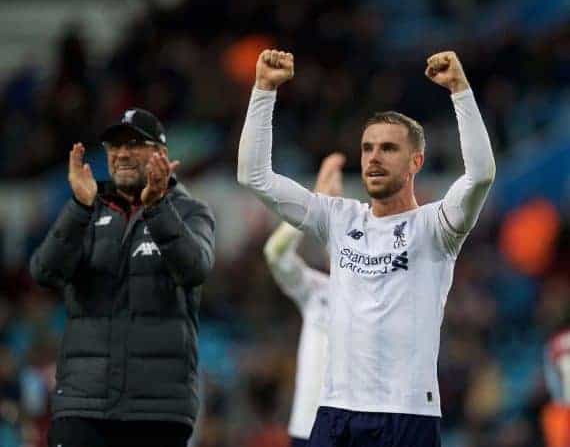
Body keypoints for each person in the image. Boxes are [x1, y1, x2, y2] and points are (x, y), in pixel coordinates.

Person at [238, 49, 495, 446]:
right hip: (336, 412)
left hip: (407, 414)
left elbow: (480, 175)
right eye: (367, 148)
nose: (373, 158)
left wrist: (460, 91)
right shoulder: (340, 219)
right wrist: (264, 91)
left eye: (388, 149)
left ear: (416, 161)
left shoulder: (434, 227)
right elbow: (254, 176)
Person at [30, 108, 215, 447]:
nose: (122, 154)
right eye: (115, 146)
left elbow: (194, 270)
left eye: (134, 145)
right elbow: (44, 273)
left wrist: (158, 208)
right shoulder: (87, 208)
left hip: (158, 409)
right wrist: (78, 209)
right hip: (83, 403)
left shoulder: (191, 211)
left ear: (160, 154)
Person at [264, 153, 345, 447]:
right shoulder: (317, 290)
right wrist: (314, 205)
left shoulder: (381, 295)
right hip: (309, 429)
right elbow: (275, 253)